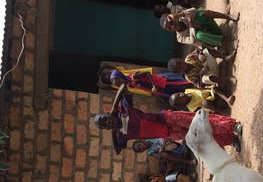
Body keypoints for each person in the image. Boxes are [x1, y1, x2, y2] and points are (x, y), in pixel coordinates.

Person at [93, 83, 241, 153]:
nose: (109, 122)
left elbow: (123, 87)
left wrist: (114, 108)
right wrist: (114, 131)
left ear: (108, 114)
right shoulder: (122, 135)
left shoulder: (123, 110)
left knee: (201, 122)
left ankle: (232, 126)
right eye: (107, 125)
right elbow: (117, 150)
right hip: (168, 133)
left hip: (168, 118)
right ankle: (230, 139)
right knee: (199, 139)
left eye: (107, 119)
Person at [160, 8, 239, 49]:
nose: (172, 26)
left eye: (171, 22)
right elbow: (193, 41)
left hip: (212, 28)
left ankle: (228, 16)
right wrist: (191, 25)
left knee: (199, 13)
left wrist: (180, 15)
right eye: (169, 28)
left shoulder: (181, 17)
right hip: (213, 40)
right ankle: (228, 42)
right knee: (199, 36)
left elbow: (194, 10)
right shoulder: (180, 38)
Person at [98, 65, 192, 98]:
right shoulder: (129, 84)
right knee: (180, 92)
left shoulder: (133, 77)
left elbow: (147, 73)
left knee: (182, 83)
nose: (119, 84)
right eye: (117, 84)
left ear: (120, 76)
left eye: (118, 82)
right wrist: (102, 86)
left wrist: (153, 85)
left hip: (162, 82)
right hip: (160, 89)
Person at [168, 49, 236, 89]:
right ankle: (226, 79)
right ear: (179, 72)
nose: (182, 66)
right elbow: (200, 85)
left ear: (180, 59)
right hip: (213, 76)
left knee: (205, 51)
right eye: (179, 68)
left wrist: (200, 54)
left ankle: (226, 58)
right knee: (204, 79)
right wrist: (201, 73)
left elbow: (198, 50)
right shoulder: (188, 77)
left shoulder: (188, 58)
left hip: (211, 65)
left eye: (180, 63)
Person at [169, 88, 235, 112]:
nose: (181, 95)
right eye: (179, 98)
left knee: (214, 88)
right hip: (212, 104)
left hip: (212, 95)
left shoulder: (187, 91)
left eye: (178, 94)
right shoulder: (191, 107)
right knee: (205, 102)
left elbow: (199, 90)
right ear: (181, 104)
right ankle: (220, 111)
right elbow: (203, 108)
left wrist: (206, 90)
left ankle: (227, 100)